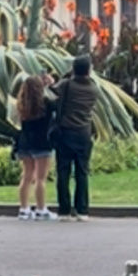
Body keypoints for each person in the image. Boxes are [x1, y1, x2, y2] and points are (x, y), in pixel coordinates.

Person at [53, 51, 98, 220]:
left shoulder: (66, 85)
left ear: (73, 69)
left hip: (65, 133)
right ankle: (82, 210)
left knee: (63, 172)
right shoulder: (93, 89)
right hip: (84, 133)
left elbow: (53, 96)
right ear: (88, 70)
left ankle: (64, 210)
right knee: (82, 172)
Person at [13, 73, 56, 219]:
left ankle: (24, 209)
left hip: (24, 142)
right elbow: (57, 101)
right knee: (40, 178)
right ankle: (41, 208)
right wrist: (50, 86)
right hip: (41, 142)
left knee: (26, 176)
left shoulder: (21, 105)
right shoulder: (45, 105)